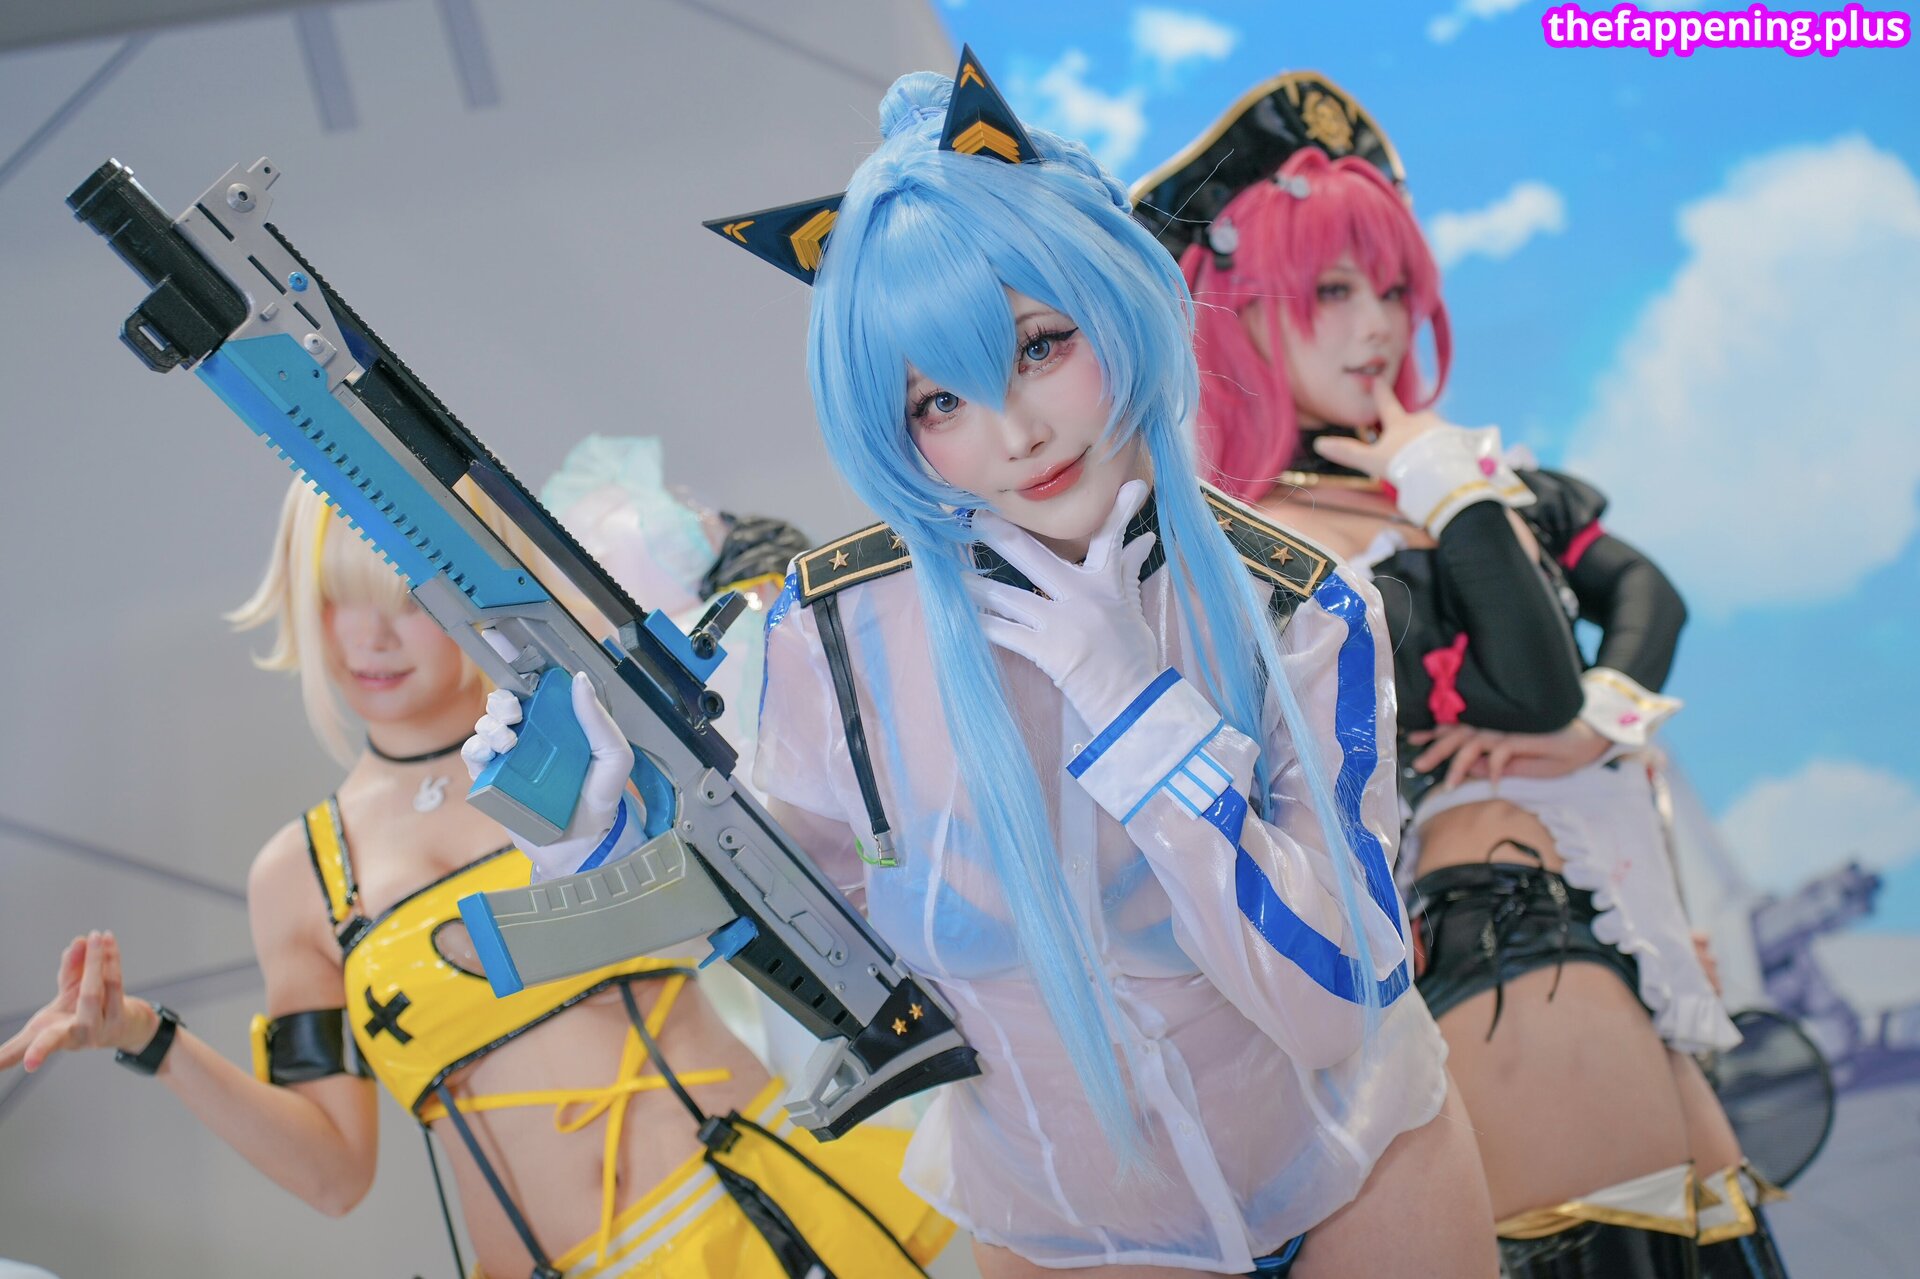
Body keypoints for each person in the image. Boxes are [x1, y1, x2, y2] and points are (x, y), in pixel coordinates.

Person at [468, 51, 1495, 1278]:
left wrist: (1138, 712)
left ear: (1115, 302)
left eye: (1039, 347)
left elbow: (1334, 1004)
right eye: (937, 404)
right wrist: (611, 840)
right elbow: (813, 935)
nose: (1013, 432)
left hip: (1362, 1178)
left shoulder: (1300, 605)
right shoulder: (836, 639)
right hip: (1067, 1239)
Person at [1138, 70, 1786, 1277]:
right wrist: (1451, 493)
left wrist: (1603, 723)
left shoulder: (1470, 477)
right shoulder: (1250, 549)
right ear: (1235, 311)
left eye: (1390, 289)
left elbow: (1646, 601)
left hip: (1607, 940)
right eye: (1331, 291)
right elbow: (1529, 688)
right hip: (1489, 949)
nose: (1376, 327)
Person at [0, 478, 951, 1279]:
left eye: (410, 596)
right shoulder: (301, 874)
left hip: (767, 1227)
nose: (372, 637)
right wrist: (150, 1039)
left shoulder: (597, 738)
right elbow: (335, 1172)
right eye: (336, 597)